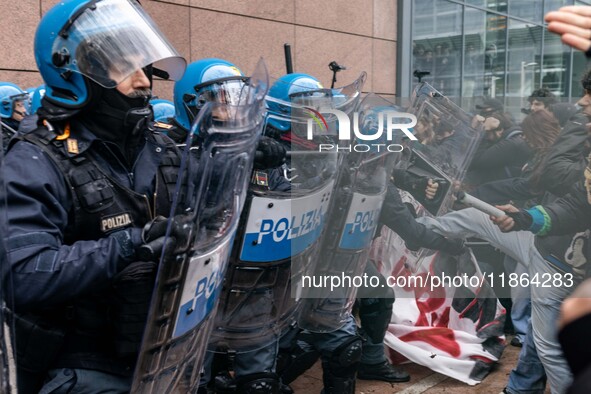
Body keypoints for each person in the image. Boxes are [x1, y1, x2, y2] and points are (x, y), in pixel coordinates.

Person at [0, 0, 187, 392]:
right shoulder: (35, 159)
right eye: (125, 68)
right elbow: (22, 275)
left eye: (145, 67)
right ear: (76, 74)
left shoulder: (159, 148)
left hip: (164, 343)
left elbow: (209, 200)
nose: (144, 82)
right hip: (81, 358)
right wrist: (128, 245)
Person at [0, 82, 28, 151]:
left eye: (23, 104)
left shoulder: (15, 127)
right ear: (5, 107)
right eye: (19, 105)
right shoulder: (3, 137)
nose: (24, 110)